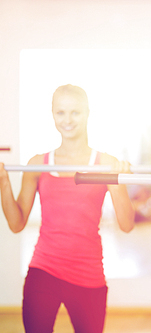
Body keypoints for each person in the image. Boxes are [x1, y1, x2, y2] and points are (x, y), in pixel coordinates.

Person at [0, 84, 135, 333]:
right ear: (52, 115)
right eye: (60, 112)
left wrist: (119, 183)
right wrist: (3, 182)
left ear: (87, 113)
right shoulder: (37, 164)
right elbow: (17, 223)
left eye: (75, 112)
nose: (68, 120)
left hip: (88, 274)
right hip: (44, 269)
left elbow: (127, 225)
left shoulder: (106, 164)